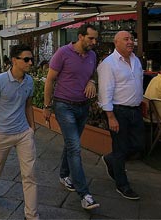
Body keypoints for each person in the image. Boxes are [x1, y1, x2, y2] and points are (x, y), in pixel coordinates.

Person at [43, 24, 100, 210]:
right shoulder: (63, 52)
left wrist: (92, 81)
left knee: (70, 144)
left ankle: (63, 174)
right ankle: (85, 194)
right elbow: (50, 80)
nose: (94, 42)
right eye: (91, 38)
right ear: (81, 36)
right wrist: (47, 106)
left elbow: (92, 74)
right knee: (75, 148)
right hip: (63, 105)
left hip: (83, 107)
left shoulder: (92, 55)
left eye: (95, 39)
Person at [0, 44, 38, 220]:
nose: (30, 62)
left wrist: (32, 127)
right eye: (26, 59)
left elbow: (28, 105)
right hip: (3, 134)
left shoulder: (29, 81)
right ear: (14, 61)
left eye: (31, 59)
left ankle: (31, 215)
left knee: (29, 174)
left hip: (23, 133)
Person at [97, 31, 144, 201]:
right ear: (116, 42)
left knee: (139, 145)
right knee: (120, 148)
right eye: (126, 39)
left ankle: (110, 159)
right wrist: (110, 117)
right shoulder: (108, 64)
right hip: (119, 111)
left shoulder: (136, 60)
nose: (130, 42)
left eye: (132, 38)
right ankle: (122, 185)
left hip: (136, 110)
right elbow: (104, 92)